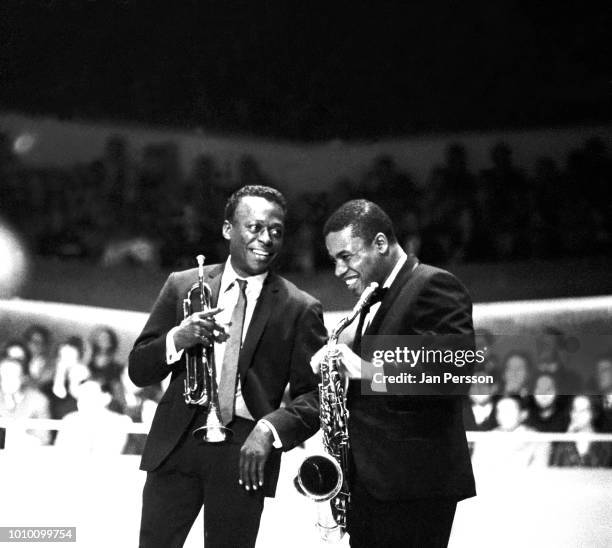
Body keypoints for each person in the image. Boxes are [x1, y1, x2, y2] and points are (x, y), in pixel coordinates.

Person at [129, 185, 326, 548]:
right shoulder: (182, 284)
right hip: (175, 445)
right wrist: (177, 338)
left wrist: (270, 430)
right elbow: (139, 370)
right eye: (254, 227)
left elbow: (315, 398)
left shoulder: (300, 307)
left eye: (276, 231)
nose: (266, 239)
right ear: (227, 229)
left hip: (246, 453)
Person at [312, 199, 475, 548]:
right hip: (373, 487)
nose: (339, 270)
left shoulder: (434, 284)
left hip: (414, 487)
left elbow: (453, 374)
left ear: (381, 243)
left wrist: (367, 371)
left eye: (346, 256)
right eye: (334, 261)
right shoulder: (372, 298)